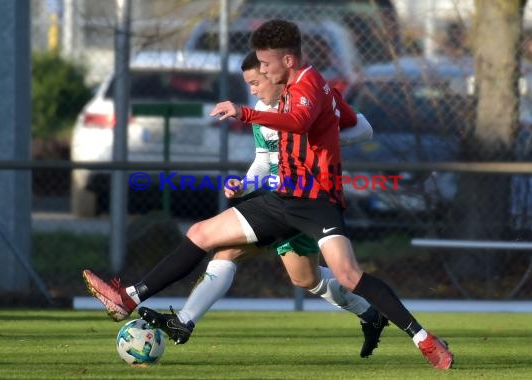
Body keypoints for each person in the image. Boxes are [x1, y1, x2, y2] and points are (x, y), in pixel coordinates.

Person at [83, 19, 454, 370]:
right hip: (279, 200)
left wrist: (252, 116)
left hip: (316, 201)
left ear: (286, 62)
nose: (258, 78)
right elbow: (268, 154)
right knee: (210, 237)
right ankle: (130, 297)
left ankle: (423, 337)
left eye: (262, 68)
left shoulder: (310, 88)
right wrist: (246, 184)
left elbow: (310, 123)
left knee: (347, 273)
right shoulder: (281, 97)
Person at [137, 51, 382, 358]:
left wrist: (322, 137)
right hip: (277, 199)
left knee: (225, 250)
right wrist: (246, 184)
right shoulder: (260, 109)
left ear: (275, 72)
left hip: (307, 198)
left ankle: (182, 321)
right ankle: (371, 313)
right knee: (305, 278)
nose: (252, 89)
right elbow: (264, 161)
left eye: (256, 80)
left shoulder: (308, 95)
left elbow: (364, 128)